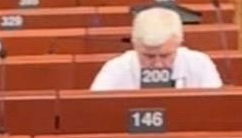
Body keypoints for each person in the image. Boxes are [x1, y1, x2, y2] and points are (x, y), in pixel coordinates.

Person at [90, 6, 222, 91]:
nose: (158, 65)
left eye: (165, 56)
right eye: (148, 56)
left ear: (179, 43)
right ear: (135, 45)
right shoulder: (116, 67)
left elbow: (215, 108)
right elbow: (96, 110)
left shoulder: (200, 64)